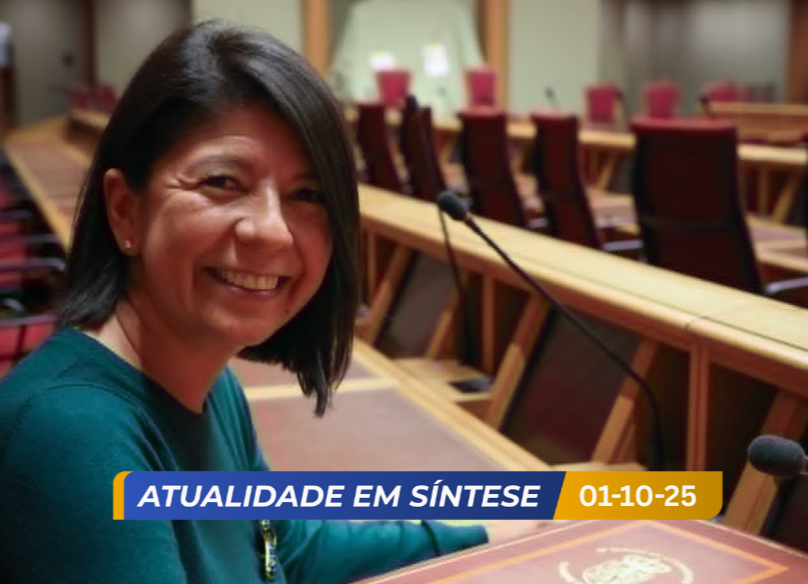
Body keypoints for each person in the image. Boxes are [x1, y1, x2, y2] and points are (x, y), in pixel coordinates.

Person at [0, 21, 546, 584]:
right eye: (221, 182)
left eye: (307, 194)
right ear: (125, 210)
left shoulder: (211, 383)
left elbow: (285, 549)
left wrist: (476, 533)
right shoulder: (75, 433)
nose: (271, 231)